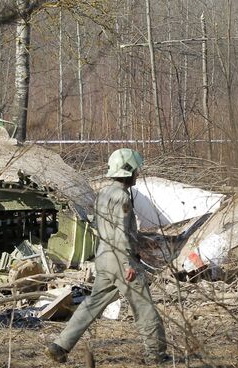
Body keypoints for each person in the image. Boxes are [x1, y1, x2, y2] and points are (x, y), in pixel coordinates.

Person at [46, 148, 170, 364]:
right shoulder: (122, 196)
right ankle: (156, 355)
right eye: (136, 169)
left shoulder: (103, 193)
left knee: (92, 304)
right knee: (144, 309)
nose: (138, 173)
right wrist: (127, 262)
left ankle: (60, 345)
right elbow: (120, 232)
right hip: (120, 260)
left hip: (103, 257)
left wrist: (138, 241)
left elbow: (103, 227)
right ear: (128, 170)